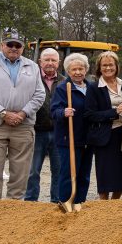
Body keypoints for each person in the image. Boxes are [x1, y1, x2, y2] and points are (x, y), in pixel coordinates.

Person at [0, 28, 46, 201]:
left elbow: (39, 94)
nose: (14, 48)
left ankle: (14, 211)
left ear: (22, 47)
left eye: (18, 45)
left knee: (21, 172)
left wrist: (23, 113)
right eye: (10, 44)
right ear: (2, 45)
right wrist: (3, 113)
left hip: (23, 126)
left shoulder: (32, 66)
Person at [50, 53, 96, 208]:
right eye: (74, 69)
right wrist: (63, 112)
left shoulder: (91, 87)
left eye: (81, 69)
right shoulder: (63, 88)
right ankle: (65, 201)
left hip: (87, 138)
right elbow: (54, 111)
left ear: (86, 70)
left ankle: (80, 202)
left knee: (84, 174)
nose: (78, 72)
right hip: (68, 138)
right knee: (68, 173)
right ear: (68, 72)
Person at [85, 50, 122, 199]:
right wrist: (114, 112)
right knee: (105, 173)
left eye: (111, 65)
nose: (108, 68)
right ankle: (104, 205)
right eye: (104, 65)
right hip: (105, 135)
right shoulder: (94, 87)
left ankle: (115, 203)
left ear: (116, 66)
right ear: (99, 67)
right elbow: (90, 115)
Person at [25, 47, 62, 202]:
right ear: (40, 62)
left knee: (59, 170)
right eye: (46, 59)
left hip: (59, 132)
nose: (50, 63)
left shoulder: (64, 82)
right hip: (37, 131)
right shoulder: (31, 80)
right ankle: (31, 202)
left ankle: (57, 202)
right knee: (32, 171)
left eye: (53, 60)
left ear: (58, 63)